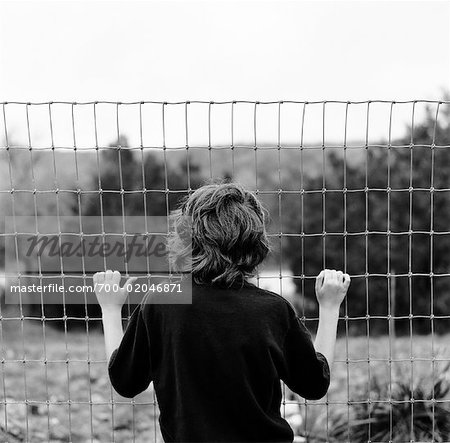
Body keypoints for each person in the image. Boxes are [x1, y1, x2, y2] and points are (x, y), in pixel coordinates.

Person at [94, 183, 350, 443]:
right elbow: (314, 385)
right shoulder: (273, 310)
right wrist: (329, 308)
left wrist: (110, 308)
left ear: (185, 238)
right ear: (255, 242)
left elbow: (125, 381)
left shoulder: (161, 302)